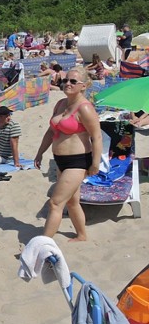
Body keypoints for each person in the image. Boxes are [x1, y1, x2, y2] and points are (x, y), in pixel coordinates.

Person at [34, 68, 102, 242]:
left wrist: (95, 164)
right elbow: (51, 131)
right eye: (66, 81)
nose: (67, 84)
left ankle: (43, 245)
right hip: (60, 160)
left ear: (84, 86)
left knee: (55, 203)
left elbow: (96, 136)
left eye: (73, 82)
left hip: (77, 161)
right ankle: (82, 235)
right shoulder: (60, 104)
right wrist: (40, 152)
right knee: (72, 201)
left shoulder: (85, 108)